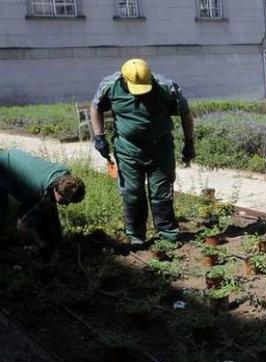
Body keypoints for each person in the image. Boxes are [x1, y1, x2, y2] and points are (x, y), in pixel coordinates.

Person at [90, 58, 195, 248]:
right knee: (132, 192)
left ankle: (167, 232)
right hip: (128, 150)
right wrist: (99, 136)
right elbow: (95, 107)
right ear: (123, 79)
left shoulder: (166, 87)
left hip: (160, 149)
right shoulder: (110, 85)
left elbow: (186, 113)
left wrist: (189, 143)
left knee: (161, 192)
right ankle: (136, 236)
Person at [0, 148, 86, 255]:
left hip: (14, 157)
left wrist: (58, 239)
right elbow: (23, 225)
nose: (67, 204)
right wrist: (40, 243)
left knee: (44, 212)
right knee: (2, 219)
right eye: (64, 201)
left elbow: (51, 208)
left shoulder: (63, 175)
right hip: (4, 165)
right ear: (56, 189)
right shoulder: (36, 191)